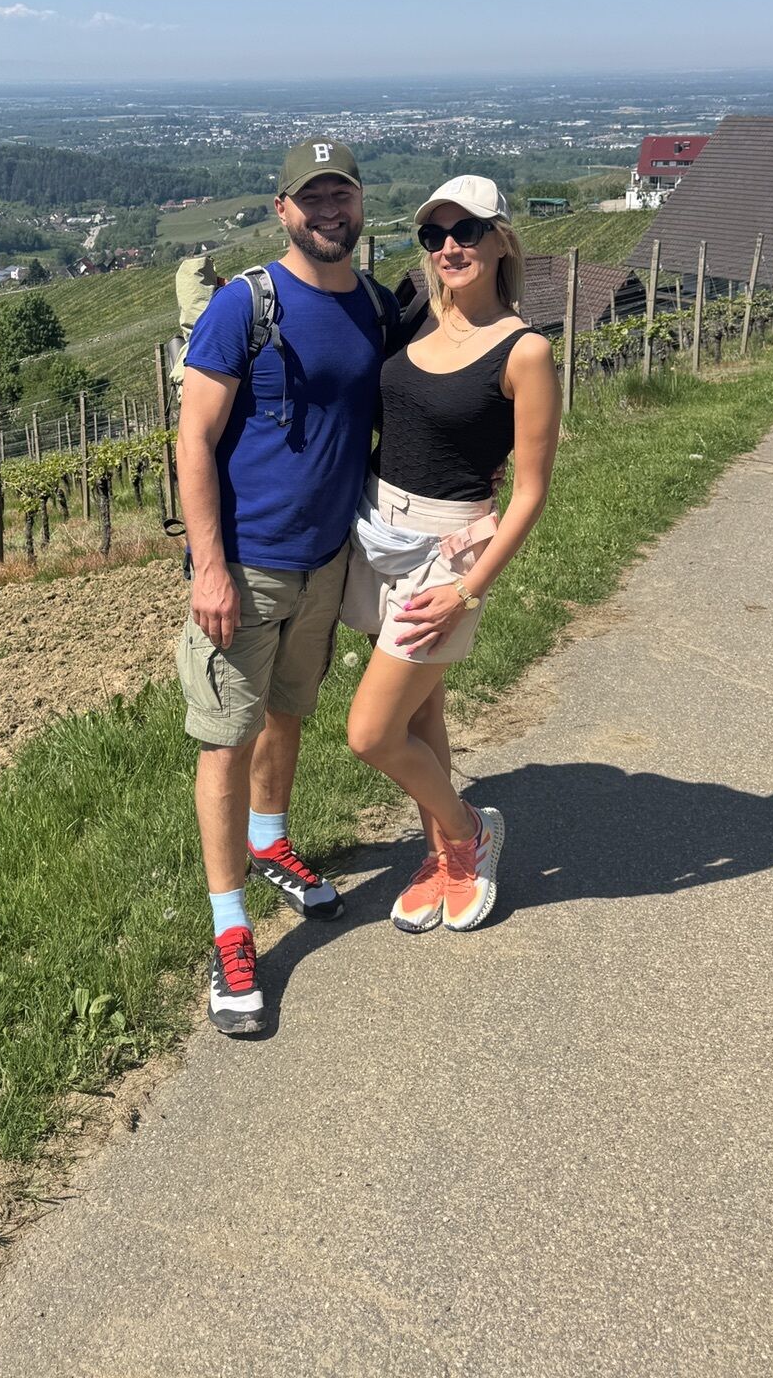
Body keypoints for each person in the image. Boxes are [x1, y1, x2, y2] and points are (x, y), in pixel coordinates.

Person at [176, 138, 398, 1034]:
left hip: (327, 559)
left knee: (288, 711)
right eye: (313, 198)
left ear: (360, 202)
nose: (330, 211)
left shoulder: (375, 308)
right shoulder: (245, 305)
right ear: (283, 210)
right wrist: (210, 569)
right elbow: (194, 441)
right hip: (248, 566)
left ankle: (270, 842)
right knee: (226, 739)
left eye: (342, 194)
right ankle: (231, 929)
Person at [342, 175, 561, 934]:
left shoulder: (526, 351)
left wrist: (469, 591)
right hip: (378, 533)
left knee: (371, 732)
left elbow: (530, 492)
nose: (449, 248)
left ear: (502, 240)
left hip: (447, 554)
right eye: (434, 235)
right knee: (421, 713)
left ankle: (469, 832)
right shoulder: (415, 318)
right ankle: (442, 858)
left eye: (467, 231)